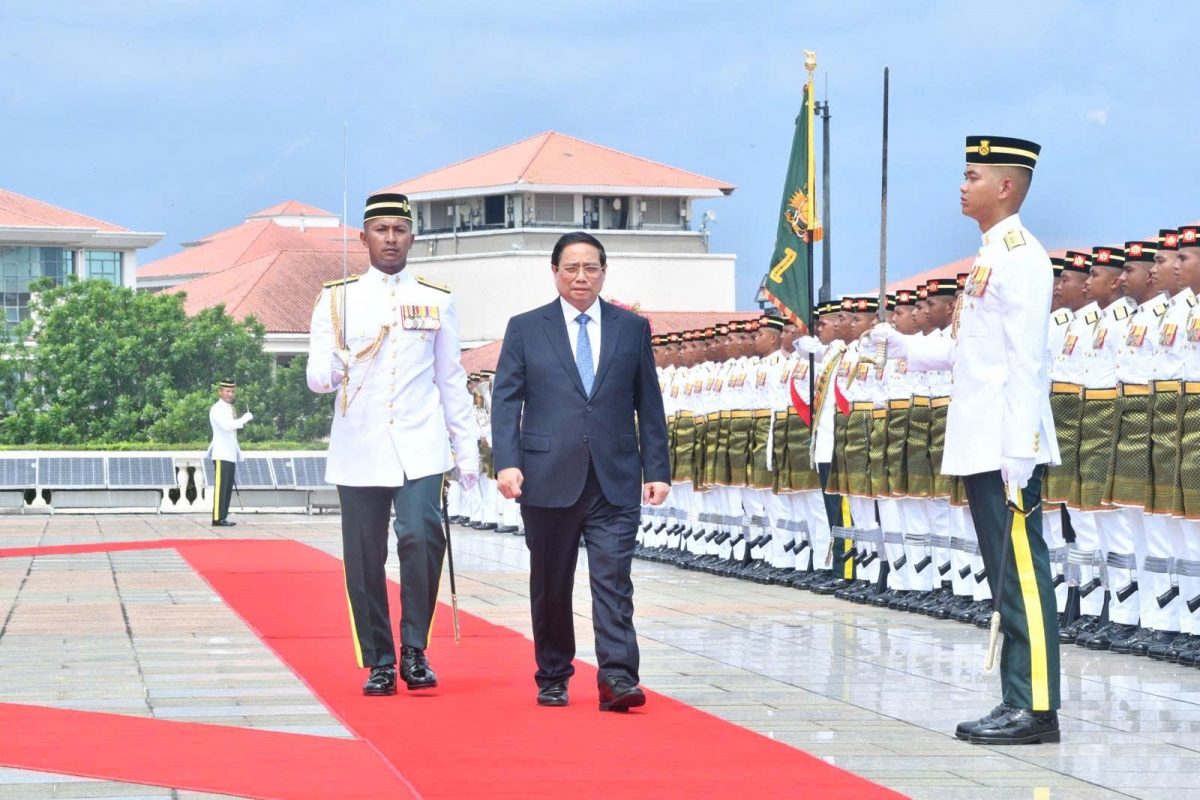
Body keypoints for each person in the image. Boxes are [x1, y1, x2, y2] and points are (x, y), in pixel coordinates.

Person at [873, 135, 1061, 744]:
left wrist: (1020, 448)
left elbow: (1028, 361)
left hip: (1007, 444)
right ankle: (1017, 696)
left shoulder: (1021, 257)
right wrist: (907, 347)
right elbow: (969, 352)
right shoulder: (989, 257)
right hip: (983, 439)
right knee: (1006, 576)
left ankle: (1035, 707)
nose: (962, 186)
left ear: (1005, 187)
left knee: (1021, 573)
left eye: (972, 176)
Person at [307, 192, 479, 697]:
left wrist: (466, 451)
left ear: (412, 238)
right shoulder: (337, 299)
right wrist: (333, 366)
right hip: (360, 446)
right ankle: (379, 660)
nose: (390, 238)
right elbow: (316, 377)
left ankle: (414, 650)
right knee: (364, 555)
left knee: (422, 538)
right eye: (380, 230)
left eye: (399, 230)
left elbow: (451, 379)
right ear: (363, 238)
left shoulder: (436, 298)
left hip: (419, 443)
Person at [491, 230, 670, 711]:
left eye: (591, 268)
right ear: (554, 273)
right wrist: (506, 462)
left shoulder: (631, 328)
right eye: (571, 268)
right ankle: (553, 673)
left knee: (614, 581)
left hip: (615, 477)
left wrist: (658, 469)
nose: (581, 277)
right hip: (546, 477)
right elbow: (506, 401)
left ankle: (617, 677)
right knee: (551, 583)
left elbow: (648, 402)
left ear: (604, 272)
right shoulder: (526, 328)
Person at [208, 380, 252, 527]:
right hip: (221, 453)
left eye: (232, 391)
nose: (230, 394)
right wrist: (244, 419)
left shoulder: (229, 408)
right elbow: (227, 426)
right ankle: (217, 518)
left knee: (227, 488)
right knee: (221, 488)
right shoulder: (217, 408)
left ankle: (223, 516)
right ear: (220, 391)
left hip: (230, 453)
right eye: (227, 391)